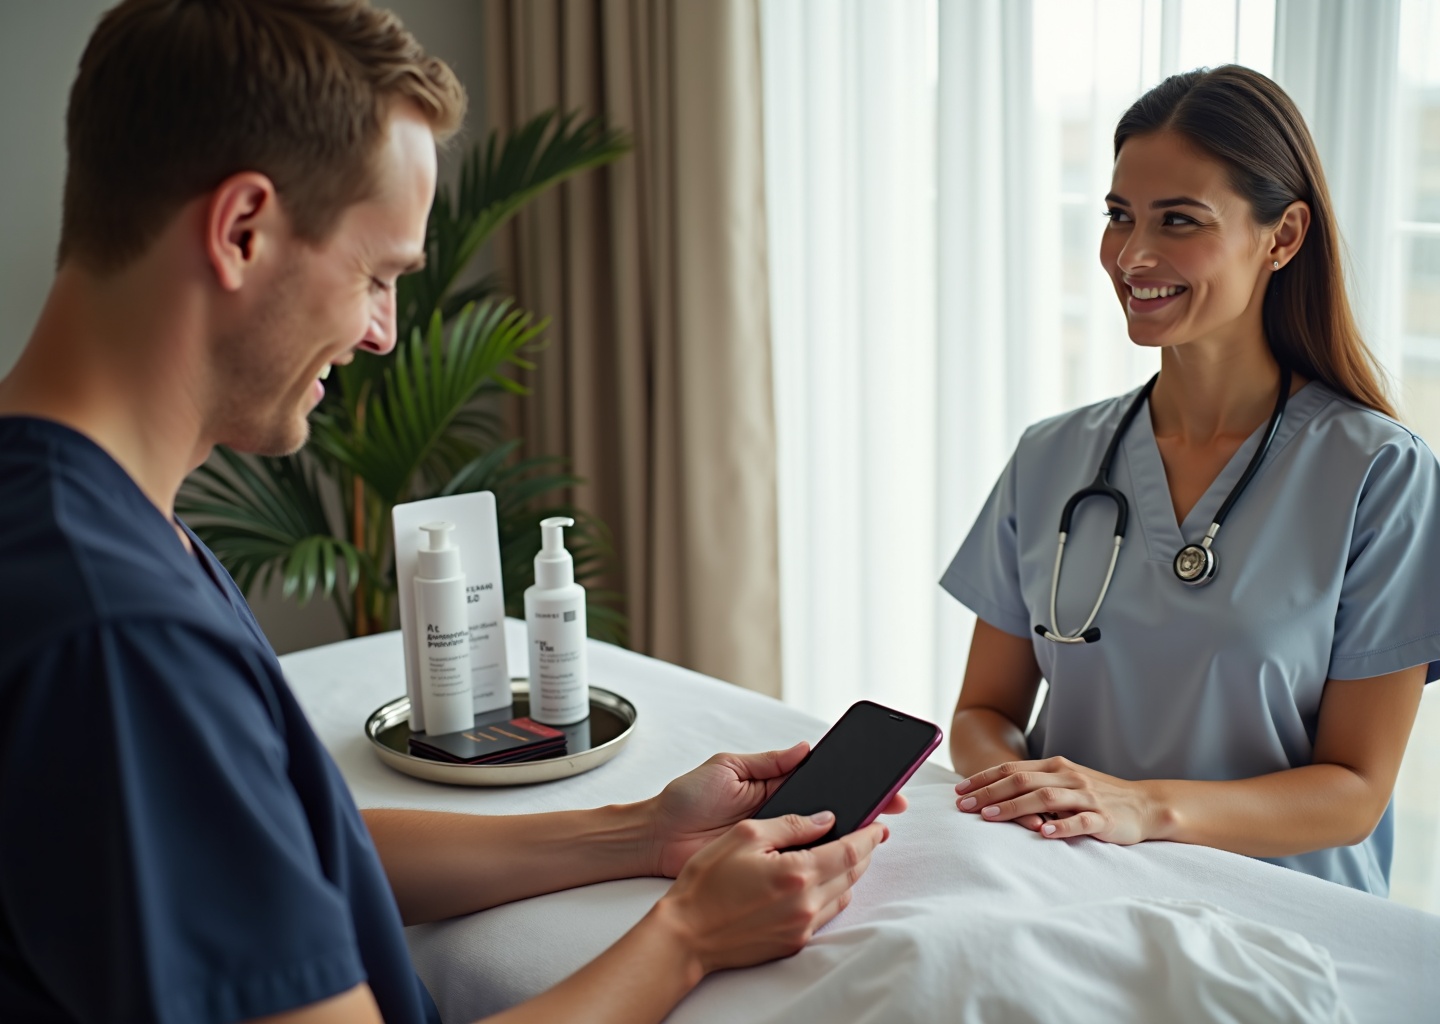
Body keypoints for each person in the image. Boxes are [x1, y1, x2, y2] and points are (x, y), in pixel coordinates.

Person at [0, 2, 903, 1022]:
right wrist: (690, 933)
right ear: (242, 229)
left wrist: (644, 832)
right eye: (377, 275)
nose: (383, 333)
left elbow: (289, 841)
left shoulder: (82, 518)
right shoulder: (117, 630)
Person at [941, 65, 1440, 896]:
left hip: (1279, 920)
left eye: (1179, 221)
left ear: (1281, 237)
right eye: (1118, 216)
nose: (1133, 256)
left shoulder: (1379, 475)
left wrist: (1141, 808)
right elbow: (982, 714)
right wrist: (1027, 798)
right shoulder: (1052, 457)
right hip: (1073, 891)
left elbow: (1353, 790)